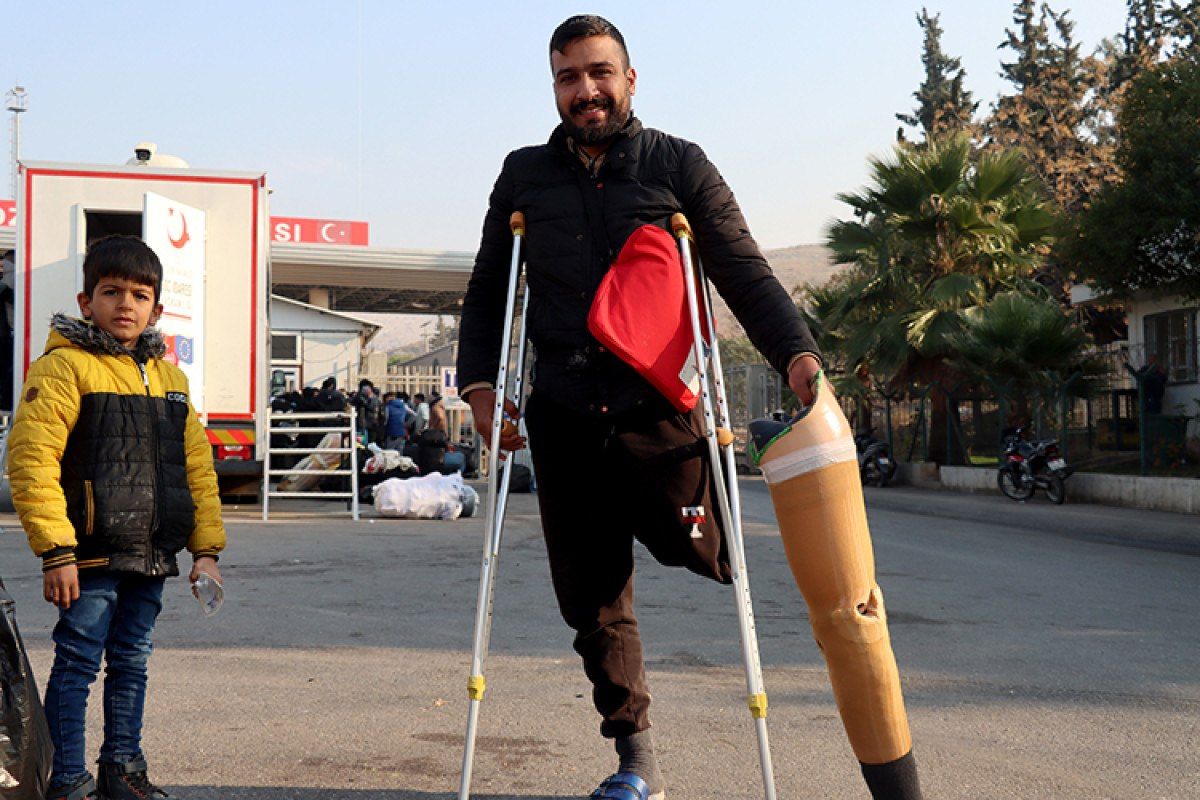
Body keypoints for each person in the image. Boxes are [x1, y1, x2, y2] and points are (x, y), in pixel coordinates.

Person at [457, 15, 925, 800]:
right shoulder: (523, 176)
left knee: (702, 548)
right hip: (564, 414)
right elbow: (487, 289)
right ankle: (635, 757)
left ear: (630, 79)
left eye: (600, 73)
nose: (586, 91)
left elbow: (741, 269)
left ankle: (702, 547)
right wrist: (479, 387)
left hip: (657, 412)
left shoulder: (678, 165)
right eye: (569, 77)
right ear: (555, 88)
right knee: (593, 599)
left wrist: (799, 358)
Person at [7, 235, 225, 800]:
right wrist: (56, 551)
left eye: (139, 295)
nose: (125, 304)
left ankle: (122, 770)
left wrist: (206, 551)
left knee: (132, 662)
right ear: (86, 302)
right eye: (111, 292)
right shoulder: (63, 368)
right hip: (87, 555)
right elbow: (32, 461)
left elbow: (196, 470)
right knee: (77, 662)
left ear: (156, 308)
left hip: (150, 554)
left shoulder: (171, 381)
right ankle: (67, 779)